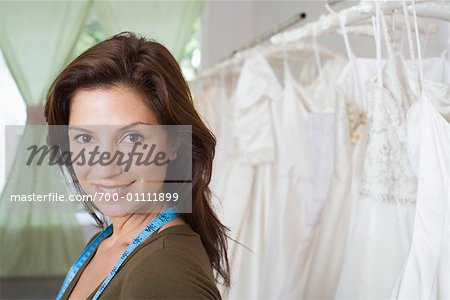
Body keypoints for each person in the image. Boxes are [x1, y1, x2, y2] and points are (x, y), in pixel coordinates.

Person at [44, 31, 229, 299]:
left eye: (131, 137)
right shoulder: (109, 241)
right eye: (85, 138)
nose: (105, 167)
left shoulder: (165, 272)